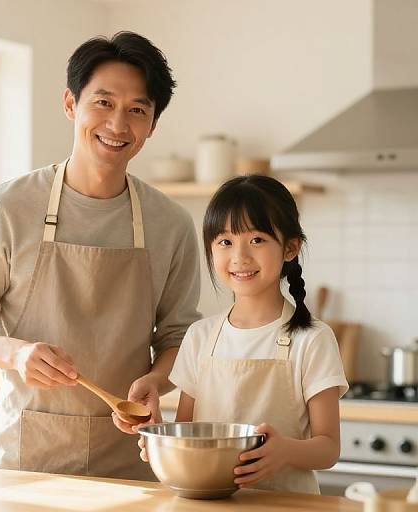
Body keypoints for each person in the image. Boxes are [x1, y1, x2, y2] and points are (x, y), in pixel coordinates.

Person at [0, 32, 201, 481]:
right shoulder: (8, 207)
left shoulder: (171, 223)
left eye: (137, 110)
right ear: (70, 104)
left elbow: (180, 336)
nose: (118, 125)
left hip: (129, 462)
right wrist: (16, 353)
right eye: (103, 103)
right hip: (28, 463)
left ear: (152, 124)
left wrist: (156, 383)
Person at [139, 175, 348, 493]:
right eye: (225, 242)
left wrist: (285, 451)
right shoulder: (200, 336)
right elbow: (186, 431)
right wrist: (160, 440)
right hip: (210, 501)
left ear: (291, 248)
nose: (240, 257)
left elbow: (328, 448)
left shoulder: (312, 340)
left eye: (257, 240)